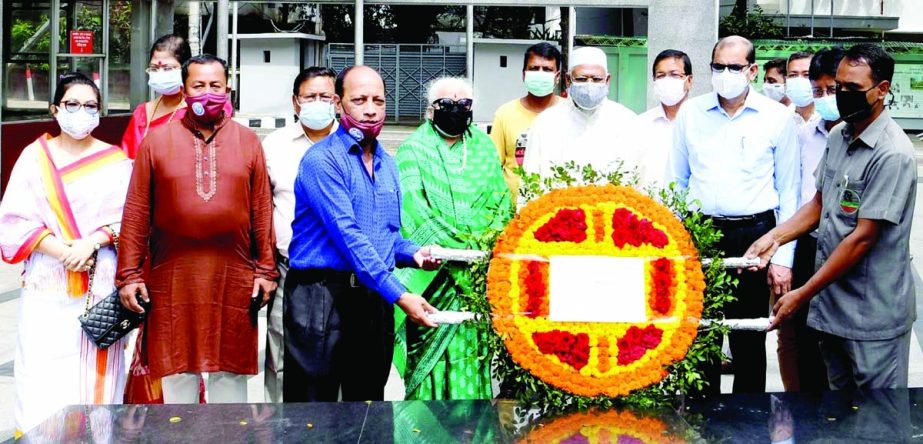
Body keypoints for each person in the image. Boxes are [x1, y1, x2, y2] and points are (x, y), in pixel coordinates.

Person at [746, 44, 916, 390]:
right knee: (838, 412)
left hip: (872, 317)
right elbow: (819, 204)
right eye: (840, 87)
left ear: (881, 90)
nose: (842, 97)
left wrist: (803, 292)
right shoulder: (840, 135)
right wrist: (774, 238)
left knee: (876, 418)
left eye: (853, 89)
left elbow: (863, 238)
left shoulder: (892, 154)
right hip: (834, 309)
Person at [116, 54, 278, 404]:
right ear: (184, 90)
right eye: (199, 85)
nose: (208, 92)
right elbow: (136, 211)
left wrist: (266, 269)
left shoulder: (248, 141)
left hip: (234, 276)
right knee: (177, 371)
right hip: (172, 275)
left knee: (230, 373)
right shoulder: (156, 142)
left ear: (228, 89)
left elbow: (261, 209)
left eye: (215, 86)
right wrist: (128, 275)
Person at [284, 65, 441, 403]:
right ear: (338, 104)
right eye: (359, 100)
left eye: (378, 100)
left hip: (372, 300)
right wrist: (401, 295)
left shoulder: (388, 163)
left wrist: (413, 253)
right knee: (313, 416)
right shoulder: (322, 161)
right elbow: (349, 236)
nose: (370, 109)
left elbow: (385, 234)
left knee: (369, 408)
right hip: (321, 299)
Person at [0, 72, 132, 436]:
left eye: (90, 106)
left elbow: (129, 219)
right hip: (49, 282)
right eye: (72, 104)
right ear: (54, 109)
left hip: (99, 283)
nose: (81, 112)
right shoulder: (33, 158)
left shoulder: (115, 160)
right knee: (42, 369)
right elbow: (13, 220)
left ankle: (99, 436)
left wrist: (92, 242)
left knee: (96, 371)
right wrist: (62, 251)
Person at [668, 35, 799, 395]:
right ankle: (701, 421)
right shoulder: (691, 113)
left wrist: (782, 258)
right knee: (699, 333)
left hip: (755, 237)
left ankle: (750, 422)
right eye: (718, 67)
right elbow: (675, 183)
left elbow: (789, 192)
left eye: (735, 67)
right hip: (701, 234)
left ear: (752, 70)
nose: (726, 74)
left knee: (749, 335)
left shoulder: (777, 118)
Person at [393, 77, 512, 400]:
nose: (456, 110)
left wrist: (477, 251)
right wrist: (460, 251)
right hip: (433, 279)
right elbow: (412, 209)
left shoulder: (484, 148)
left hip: (476, 278)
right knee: (428, 370)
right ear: (432, 110)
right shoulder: (413, 149)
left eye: (464, 105)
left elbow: (500, 204)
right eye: (448, 104)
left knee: (473, 358)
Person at [261, 66, 339, 403]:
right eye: (310, 97)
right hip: (288, 269)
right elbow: (262, 208)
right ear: (296, 102)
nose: (317, 103)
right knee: (281, 355)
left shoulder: (352, 143)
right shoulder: (275, 145)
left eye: (325, 96)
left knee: (337, 357)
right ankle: (277, 431)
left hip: (339, 274)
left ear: (337, 101)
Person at [774, 47, 845, 393]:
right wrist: (780, 244)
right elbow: (799, 195)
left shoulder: (867, 139)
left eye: (832, 90)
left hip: (847, 253)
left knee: (839, 342)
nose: (824, 98)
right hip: (807, 245)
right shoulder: (803, 133)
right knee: (800, 338)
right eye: (819, 91)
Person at [522, 46, 645, 184]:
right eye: (581, 79)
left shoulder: (628, 122)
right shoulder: (545, 123)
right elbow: (530, 181)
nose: (589, 85)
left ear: (608, 80)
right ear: (568, 80)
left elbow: (641, 182)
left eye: (597, 79)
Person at [121, 35, 234, 159]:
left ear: (186, 69)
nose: (160, 73)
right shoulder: (142, 113)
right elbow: (128, 158)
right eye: (154, 68)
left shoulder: (208, 106)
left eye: (168, 68)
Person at [490, 42, 565, 199]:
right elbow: (493, 167)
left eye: (547, 69)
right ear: (524, 74)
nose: (540, 73)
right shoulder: (505, 114)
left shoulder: (569, 113)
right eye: (534, 68)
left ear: (557, 77)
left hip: (560, 211)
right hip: (513, 213)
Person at [639, 49, 693, 186]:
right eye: (661, 75)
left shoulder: (701, 122)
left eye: (674, 75)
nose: (667, 80)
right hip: (649, 204)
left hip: (692, 205)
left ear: (689, 81)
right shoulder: (641, 123)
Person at [786, 51, 817, 128]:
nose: (799, 80)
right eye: (793, 75)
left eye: (806, 75)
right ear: (786, 78)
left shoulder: (828, 119)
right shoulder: (781, 118)